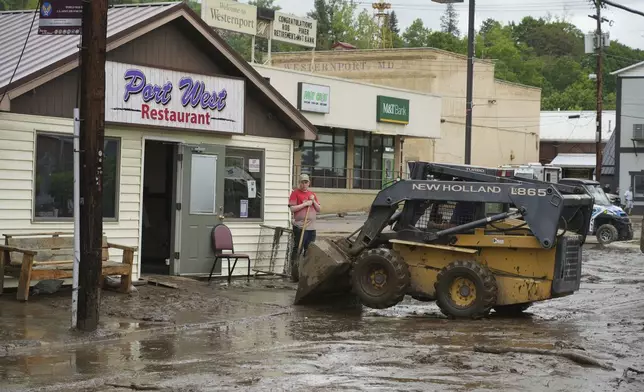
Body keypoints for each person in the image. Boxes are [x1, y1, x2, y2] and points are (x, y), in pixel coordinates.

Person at [289, 174, 321, 261]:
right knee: (298, 249)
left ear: (309, 183)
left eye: (306, 182)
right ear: (299, 183)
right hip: (300, 227)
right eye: (302, 182)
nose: (304, 184)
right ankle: (294, 268)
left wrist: (313, 201)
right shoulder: (295, 193)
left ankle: (305, 269)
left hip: (311, 228)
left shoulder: (312, 194)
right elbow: (292, 209)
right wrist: (305, 204)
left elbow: (319, 209)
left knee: (310, 250)